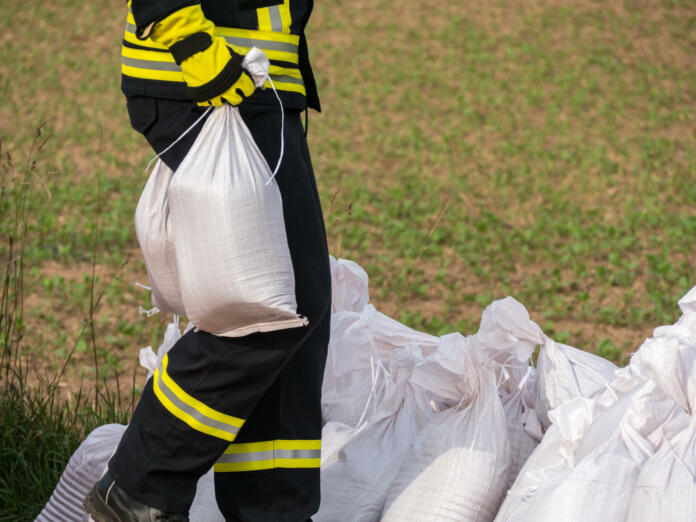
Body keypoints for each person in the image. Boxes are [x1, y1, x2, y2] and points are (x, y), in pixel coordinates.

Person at [83, 1, 330, 520]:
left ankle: (271, 511)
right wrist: (197, 49)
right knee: (269, 308)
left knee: (297, 314)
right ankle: (138, 485)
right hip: (209, 81)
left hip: (255, 85)